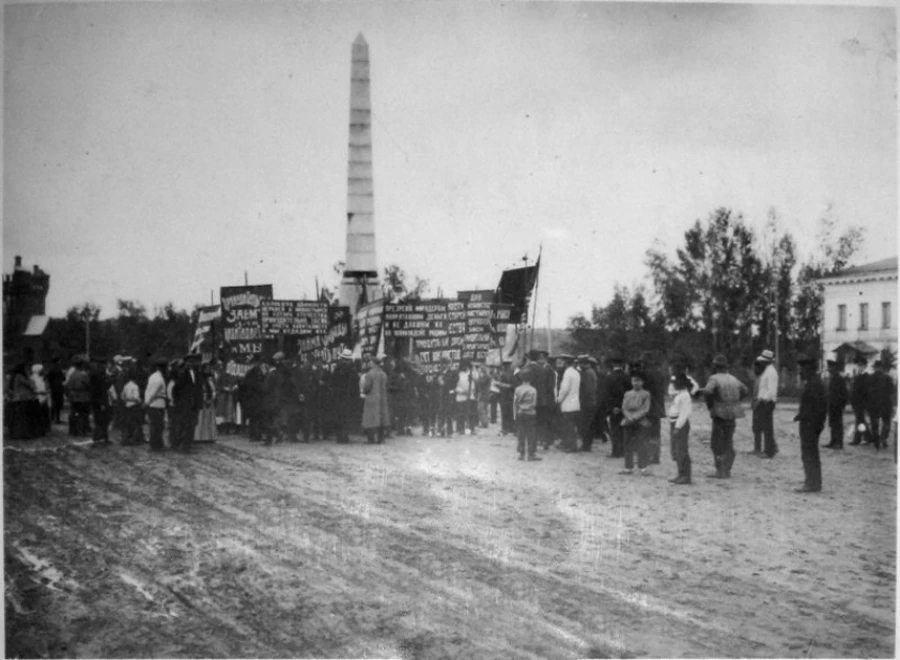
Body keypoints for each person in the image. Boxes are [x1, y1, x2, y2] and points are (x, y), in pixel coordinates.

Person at [700, 354, 748, 479]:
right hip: (733, 413)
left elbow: (708, 391)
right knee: (728, 442)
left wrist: (711, 406)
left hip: (719, 413)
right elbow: (745, 390)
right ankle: (727, 470)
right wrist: (736, 400)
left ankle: (720, 471)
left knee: (716, 443)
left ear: (715, 366)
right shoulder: (733, 379)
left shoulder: (714, 378)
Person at [794, 354, 827, 492]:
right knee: (811, 453)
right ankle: (814, 482)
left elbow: (814, 407)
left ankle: (811, 483)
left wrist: (803, 416)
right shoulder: (815, 382)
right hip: (811, 423)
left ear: (808, 369)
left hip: (810, 424)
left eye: (802, 369)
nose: (800, 372)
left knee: (809, 453)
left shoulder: (814, 384)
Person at [619, 370, 652, 475]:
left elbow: (645, 409)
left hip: (641, 421)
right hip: (628, 420)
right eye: (634, 381)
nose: (636, 383)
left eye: (638, 381)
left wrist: (635, 417)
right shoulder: (627, 394)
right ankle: (628, 467)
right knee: (627, 444)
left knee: (642, 444)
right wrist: (628, 416)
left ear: (643, 382)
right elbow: (624, 407)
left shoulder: (646, 394)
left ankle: (643, 467)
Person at [171, 353, 204, 452]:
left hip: (194, 404)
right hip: (184, 404)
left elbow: (199, 389)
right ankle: (179, 445)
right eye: (191, 362)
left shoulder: (197, 374)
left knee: (191, 425)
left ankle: (187, 445)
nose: (194, 364)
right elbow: (176, 389)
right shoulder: (182, 373)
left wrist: (199, 403)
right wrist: (178, 401)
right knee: (183, 424)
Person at [752, 349, 779, 458]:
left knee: (767, 427)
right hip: (763, 401)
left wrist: (762, 399)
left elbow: (771, 391)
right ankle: (769, 448)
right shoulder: (767, 371)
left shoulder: (771, 372)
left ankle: (769, 451)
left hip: (767, 402)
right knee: (763, 426)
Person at [668, 373, 693, 484]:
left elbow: (684, 413)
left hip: (680, 424)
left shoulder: (685, 396)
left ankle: (686, 475)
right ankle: (680, 473)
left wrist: (677, 427)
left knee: (682, 450)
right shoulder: (679, 394)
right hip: (675, 422)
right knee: (677, 451)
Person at [330, 349, 359, 443]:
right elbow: (355, 385)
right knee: (346, 417)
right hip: (348, 396)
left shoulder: (337, 368)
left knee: (339, 416)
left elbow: (333, 382)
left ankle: (339, 437)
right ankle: (345, 437)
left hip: (338, 396)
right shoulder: (352, 370)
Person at [605, 354, 631, 458]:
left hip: (614, 408)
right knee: (624, 428)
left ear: (613, 364)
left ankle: (616, 451)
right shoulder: (627, 377)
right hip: (625, 407)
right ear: (623, 365)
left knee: (614, 429)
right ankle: (624, 451)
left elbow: (607, 395)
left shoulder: (609, 377)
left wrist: (612, 407)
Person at [867, 360, 895, 450]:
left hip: (873, 404)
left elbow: (867, 391)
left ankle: (876, 441)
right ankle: (883, 438)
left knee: (874, 423)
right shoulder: (887, 378)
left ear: (875, 368)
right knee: (886, 422)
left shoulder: (870, 377)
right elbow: (892, 390)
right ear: (881, 367)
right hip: (885, 403)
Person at [362, 355, 390, 444]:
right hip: (382, 399)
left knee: (371, 419)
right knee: (381, 419)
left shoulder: (370, 374)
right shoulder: (384, 374)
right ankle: (381, 439)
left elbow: (366, 387)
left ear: (373, 363)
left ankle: (371, 439)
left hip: (372, 399)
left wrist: (364, 391)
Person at [555, 354, 581, 452]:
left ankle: (571, 446)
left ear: (566, 362)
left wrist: (558, 400)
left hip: (567, 404)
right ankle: (569, 444)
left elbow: (564, 390)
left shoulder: (567, 373)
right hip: (575, 403)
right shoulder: (576, 373)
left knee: (568, 427)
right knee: (572, 426)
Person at [514, 370, 540, 461]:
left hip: (520, 413)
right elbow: (534, 404)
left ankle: (521, 454)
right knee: (531, 434)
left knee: (521, 433)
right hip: (530, 413)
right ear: (531, 379)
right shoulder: (533, 390)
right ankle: (531, 454)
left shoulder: (517, 389)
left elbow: (515, 403)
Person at [239, 354, 266, 443]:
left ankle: (255, 435)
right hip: (255, 397)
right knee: (255, 417)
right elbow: (256, 385)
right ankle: (255, 435)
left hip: (252, 398)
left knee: (255, 417)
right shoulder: (255, 372)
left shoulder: (252, 372)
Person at [822, 359, 848, 450]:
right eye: (828, 367)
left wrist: (842, 405)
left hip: (837, 406)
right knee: (832, 424)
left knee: (838, 425)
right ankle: (833, 441)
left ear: (834, 368)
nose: (829, 369)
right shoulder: (832, 378)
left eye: (830, 367)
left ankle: (839, 443)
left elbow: (844, 393)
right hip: (831, 406)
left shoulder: (839, 379)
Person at [144, 358, 168, 451]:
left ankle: (157, 444)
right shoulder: (158, 379)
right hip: (156, 404)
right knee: (157, 426)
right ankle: (155, 445)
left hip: (155, 403)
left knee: (157, 425)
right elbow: (153, 393)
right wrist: (147, 403)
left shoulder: (154, 376)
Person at [89, 356, 114, 446]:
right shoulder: (98, 374)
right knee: (101, 420)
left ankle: (103, 439)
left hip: (100, 400)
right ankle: (99, 440)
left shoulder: (98, 373)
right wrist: (101, 403)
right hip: (100, 400)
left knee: (103, 420)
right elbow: (99, 389)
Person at [66, 356, 92, 437]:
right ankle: (81, 431)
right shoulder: (84, 374)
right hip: (83, 396)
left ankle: (72, 431)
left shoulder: (72, 374)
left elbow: (68, 385)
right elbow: (88, 385)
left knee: (73, 413)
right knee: (83, 414)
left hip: (73, 396)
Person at [848, 355, 871, 445]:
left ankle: (857, 440)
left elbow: (864, 390)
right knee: (860, 420)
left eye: (861, 365)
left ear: (865, 366)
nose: (859, 366)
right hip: (856, 402)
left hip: (861, 402)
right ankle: (868, 437)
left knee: (859, 420)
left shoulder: (866, 376)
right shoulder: (857, 376)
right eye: (858, 365)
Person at [577, 355, 598, 451]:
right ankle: (586, 444)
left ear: (583, 363)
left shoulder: (587, 373)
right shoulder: (590, 372)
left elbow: (587, 389)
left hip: (586, 403)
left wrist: (581, 399)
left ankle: (586, 445)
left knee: (585, 425)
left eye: (580, 363)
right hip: (590, 402)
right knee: (587, 424)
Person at [194, 361, 218, 442]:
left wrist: (212, 398)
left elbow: (213, 389)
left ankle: (209, 437)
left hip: (210, 401)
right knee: (201, 419)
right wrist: (204, 399)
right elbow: (200, 390)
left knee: (209, 420)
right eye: (207, 368)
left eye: (209, 368)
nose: (209, 370)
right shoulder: (200, 378)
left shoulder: (210, 378)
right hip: (202, 401)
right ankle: (199, 437)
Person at [120, 368, 144, 445]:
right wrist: (140, 400)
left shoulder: (126, 385)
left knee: (127, 424)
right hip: (134, 406)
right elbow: (136, 398)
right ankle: (135, 440)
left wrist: (126, 399)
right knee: (136, 424)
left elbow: (122, 396)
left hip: (127, 406)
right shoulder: (135, 386)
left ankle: (125, 439)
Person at [454, 361, 474, 435]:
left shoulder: (470, 374)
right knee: (460, 414)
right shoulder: (457, 375)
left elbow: (473, 384)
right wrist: (463, 392)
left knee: (470, 413)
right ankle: (460, 429)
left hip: (469, 396)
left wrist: (470, 391)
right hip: (460, 397)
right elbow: (455, 386)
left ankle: (471, 428)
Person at [30, 364, 50, 436]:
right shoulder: (32, 378)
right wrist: (40, 392)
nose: (43, 371)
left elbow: (46, 386)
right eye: (42, 370)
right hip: (37, 397)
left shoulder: (42, 378)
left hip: (44, 397)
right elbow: (32, 389)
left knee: (44, 413)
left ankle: (44, 428)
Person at [46, 357, 66, 425]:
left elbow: (63, 378)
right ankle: (55, 418)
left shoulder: (56, 369)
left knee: (57, 404)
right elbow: (49, 377)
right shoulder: (54, 369)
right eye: (59, 361)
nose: (60, 362)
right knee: (56, 404)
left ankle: (55, 418)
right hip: (56, 388)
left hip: (57, 388)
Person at [475, 364, 492, 429]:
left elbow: (481, 382)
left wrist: (477, 379)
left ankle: (484, 423)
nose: (478, 371)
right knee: (484, 409)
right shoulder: (482, 377)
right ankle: (484, 423)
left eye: (479, 370)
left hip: (484, 394)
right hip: (483, 394)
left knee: (481, 408)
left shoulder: (487, 377)